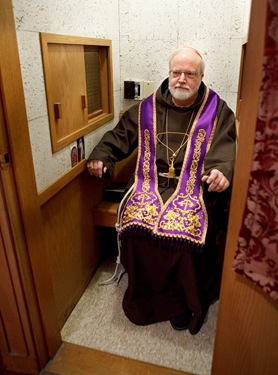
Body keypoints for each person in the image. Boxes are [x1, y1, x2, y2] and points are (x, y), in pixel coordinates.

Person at [87, 47, 236, 334]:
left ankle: (181, 304)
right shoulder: (146, 109)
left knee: (186, 234)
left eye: (189, 74)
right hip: (149, 183)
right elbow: (119, 136)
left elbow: (225, 149)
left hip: (195, 187)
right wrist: (102, 155)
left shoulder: (218, 111)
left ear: (201, 76)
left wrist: (220, 172)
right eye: (176, 73)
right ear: (168, 75)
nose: (181, 79)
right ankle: (142, 291)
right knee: (136, 225)